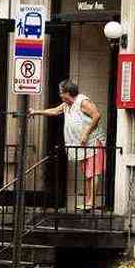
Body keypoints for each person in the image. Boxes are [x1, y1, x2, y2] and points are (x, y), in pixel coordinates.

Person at [29, 80, 106, 210]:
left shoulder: (82, 101)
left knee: (93, 173)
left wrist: (86, 133)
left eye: (61, 92)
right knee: (88, 174)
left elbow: (96, 115)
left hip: (93, 142)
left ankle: (91, 202)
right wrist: (36, 112)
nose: (60, 95)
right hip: (83, 145)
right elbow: (54, 111)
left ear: (67, 92)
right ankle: (88, 201)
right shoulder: (66, 104)